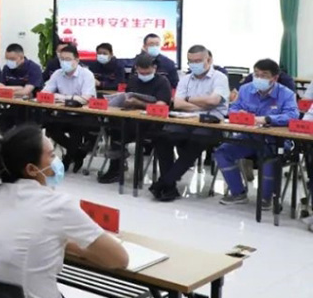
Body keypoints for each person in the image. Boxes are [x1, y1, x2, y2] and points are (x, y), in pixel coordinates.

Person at [0, 125, 128, 298]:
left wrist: (59, 242)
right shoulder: (57, 205)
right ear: (31, 169)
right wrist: (76, 247)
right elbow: (119, 259)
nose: (56, 160)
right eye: (51, 155)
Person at [214, 59, 299, 208]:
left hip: (275, 140)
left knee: (270, 159)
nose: (259, 78)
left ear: (274, 78)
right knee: (222, 152)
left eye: (264, 75)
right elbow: (233, 108)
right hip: (249, 137)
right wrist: (238, 114)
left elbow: (293, 116)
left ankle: (266, 198)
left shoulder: (286, 94)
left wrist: (267, 119)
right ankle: (238, 193)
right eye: (256, 74)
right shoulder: (246, 89)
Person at [150, 46, 229, 202]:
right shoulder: (186, 79)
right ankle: (169, 186)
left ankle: (165, 182)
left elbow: (214, 101)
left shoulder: (219, 77)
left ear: (209, 60)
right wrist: (203, 104)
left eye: (198, 61)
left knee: (196, 140)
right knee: (162, 138)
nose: (194, 64)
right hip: (186, 119)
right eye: (191, 61)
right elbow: (178, 103)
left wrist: (189, 100)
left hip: (211, 123)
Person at [98, 54, 174, 184]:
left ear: (154, 68)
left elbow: (161, 106)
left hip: (152, 123)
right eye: (141, 72)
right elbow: (128, 96)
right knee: (114, 126)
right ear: (136, 69)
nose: (144, 74)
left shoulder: (162, 82)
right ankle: (116, 167)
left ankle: (126, 168)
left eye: (147, 72)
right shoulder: (133, 80)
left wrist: (139, 103)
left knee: (126, 129)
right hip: (131, 118)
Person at [42, 44, 97, 171]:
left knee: (76, 128)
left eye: (67, 59)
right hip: (63, 113)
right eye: (62, 59)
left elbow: (86, 98)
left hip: (83, 114)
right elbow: (45, 93)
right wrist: (69, 98)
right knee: (50, 127)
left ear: (76, 60)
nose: (64, 62)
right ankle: (77, 154)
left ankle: (68, 158)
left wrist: (61, 97)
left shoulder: (87, 74)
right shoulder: (57, 73)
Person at [0, 43, 45, 136]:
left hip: (30, 109)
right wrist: (19, 88)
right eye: (7, 59)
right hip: (13, 106)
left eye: (12, 59)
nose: (9, 61)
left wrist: (6, 90)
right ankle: (12, 142)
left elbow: (26, 91)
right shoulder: (6, 68)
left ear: (21, 57)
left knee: (24, 130)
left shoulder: (34, 68)